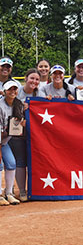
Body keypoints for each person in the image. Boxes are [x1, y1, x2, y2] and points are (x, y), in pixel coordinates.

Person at [8, 69, 42, 202]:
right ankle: (22, 190)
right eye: (32, 78)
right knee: (20, 161)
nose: (34, 81)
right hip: (18, 133)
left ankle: (37, 190)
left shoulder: (41, 92)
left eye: (37, 79)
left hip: (36, 133)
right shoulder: (17, 91)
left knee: (37, 161)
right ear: (26, 78)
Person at [0, 80, 25, 205]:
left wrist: (22, 125)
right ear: (4, 92)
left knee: (11, 163)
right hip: (0, 139)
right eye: (10, 89)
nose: (13, 92)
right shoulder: (0, 105)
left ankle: (9, 193)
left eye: (15, 89)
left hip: (4, 141)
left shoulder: (18, 104)